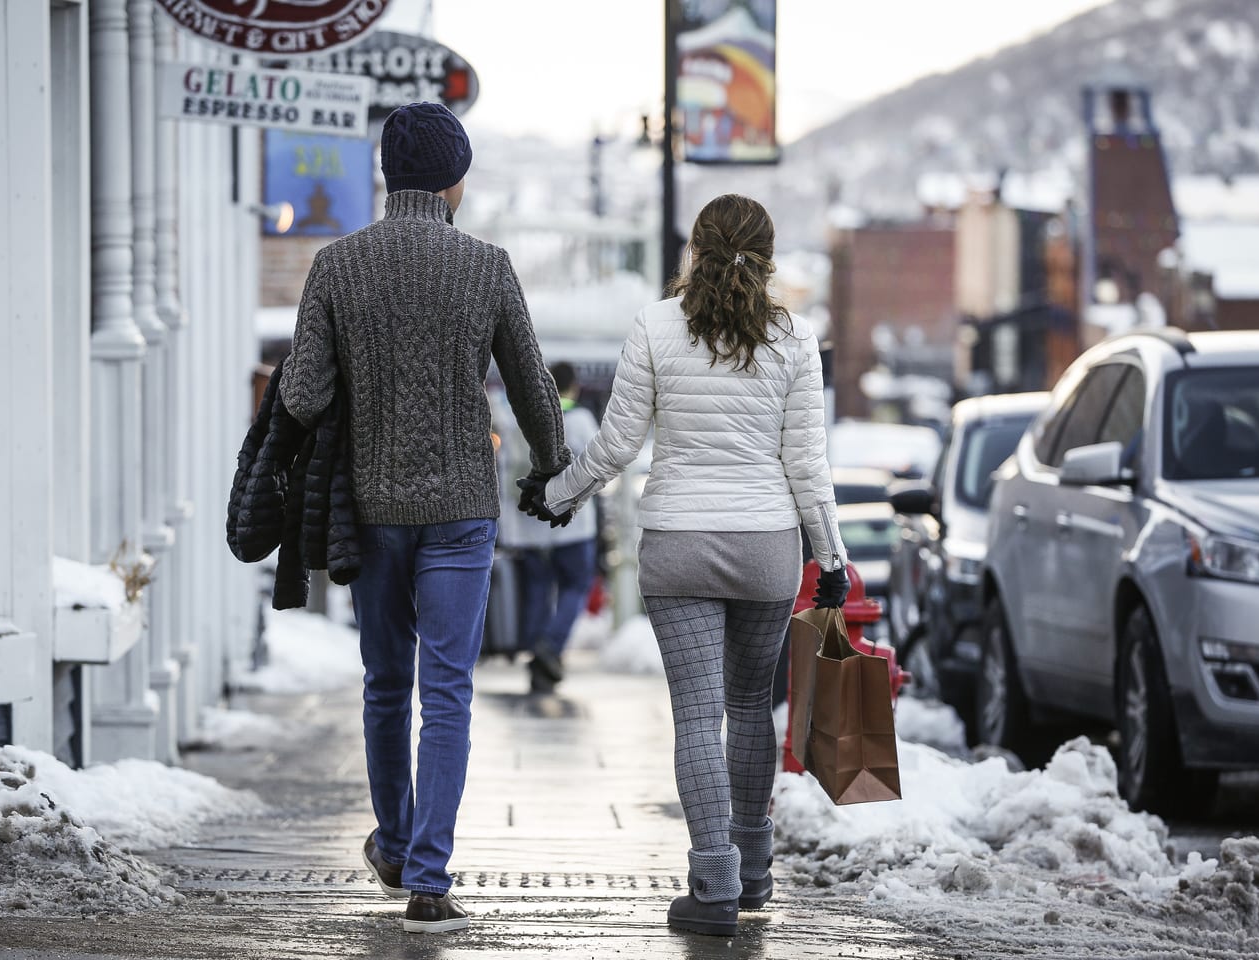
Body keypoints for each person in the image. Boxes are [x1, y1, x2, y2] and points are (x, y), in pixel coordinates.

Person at [522, 194, 851, 938]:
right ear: (767, 258)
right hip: (767, 549)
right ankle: (757, 870)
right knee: (749, 711)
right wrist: (830, 556)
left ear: (694, 250)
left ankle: (713, 886)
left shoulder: (656, 326)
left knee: (699, 718)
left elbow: (615, 445)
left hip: (679, 546)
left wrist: (558, 495)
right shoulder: (795, 338)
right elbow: (807, 463)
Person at [279, 102, 570, 935]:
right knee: (448, 692)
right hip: (460, 516)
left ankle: (398, 842)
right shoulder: (487, 265)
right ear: (455, 180)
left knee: (384, 684)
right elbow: (531, 387)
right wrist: (552, 470)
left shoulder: (337, 265)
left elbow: (301, 395)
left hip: (367, 513)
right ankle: (430, 882)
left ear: (386, 174)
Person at [517, 361, 600, 694]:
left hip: (531, 526)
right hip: (575, 525)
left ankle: (537, 651)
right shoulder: (580, 420)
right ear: (574, 387)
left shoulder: (524, 418)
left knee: (537, 589)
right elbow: (597, 462)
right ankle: (549, 648)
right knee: (575, 587)